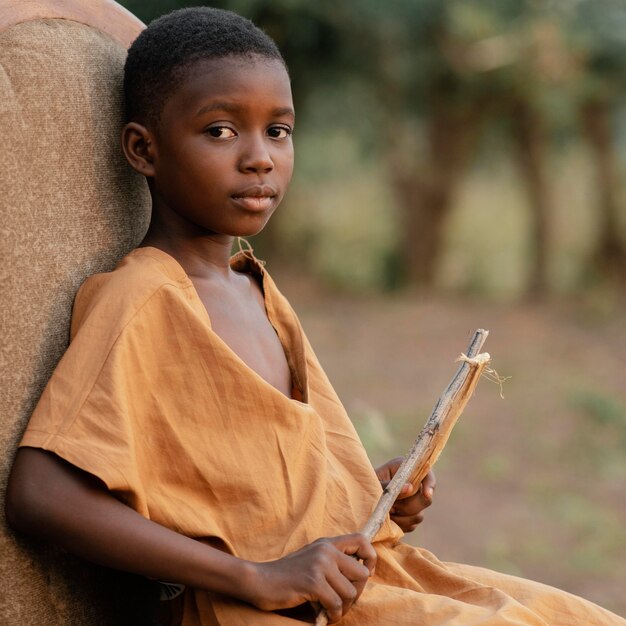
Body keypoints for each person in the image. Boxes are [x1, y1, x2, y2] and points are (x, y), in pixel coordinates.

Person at [4, 7, 624, 626]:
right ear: (144, 149)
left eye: (278, 130)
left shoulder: (256, 288)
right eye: (221, 131)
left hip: (364, 583)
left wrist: (370, 497)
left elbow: (270, 476)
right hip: (267, 609)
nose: (259, 159)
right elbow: (42, 493)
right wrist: (256, 575)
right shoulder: (141, 297)